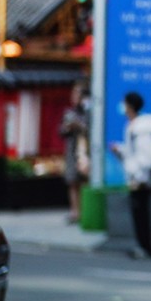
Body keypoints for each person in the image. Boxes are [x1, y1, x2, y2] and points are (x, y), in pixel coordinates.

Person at [109, 91, 151, 260]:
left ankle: (146, 247)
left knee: (141, 215)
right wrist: (119, 150)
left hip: (141, 179)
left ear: (130, 105)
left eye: (124, 103)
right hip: (137, 177)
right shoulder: (132, 126)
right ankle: (144, 246)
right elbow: (131, 152)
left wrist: (137, 174)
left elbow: (148, 156)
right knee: (140, 215)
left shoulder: (140, 129)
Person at [60, 82, 91, 225]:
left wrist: (80, 126)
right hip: (73, 151)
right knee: (72, 182)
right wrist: (67, 128)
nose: (74, 97)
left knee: (85, 180)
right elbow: (61, 131)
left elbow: (92, 130)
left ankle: (86, 211)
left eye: (77, 94)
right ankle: (75, 212)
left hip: (87, 151)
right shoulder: (69, 113)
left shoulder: (90, 112)